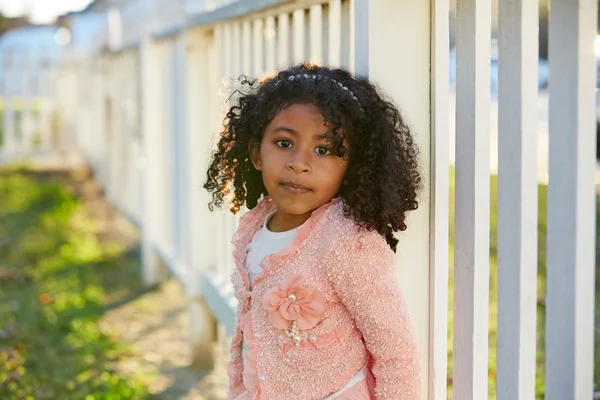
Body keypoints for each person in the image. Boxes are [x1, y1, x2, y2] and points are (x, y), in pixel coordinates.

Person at [204, 63, 422, 400]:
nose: (300, 162)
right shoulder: (252, 227)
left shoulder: (346, 241)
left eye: (324, 150)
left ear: (352, 167)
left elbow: (396, 353)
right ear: (256, 153)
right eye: (283, 142)